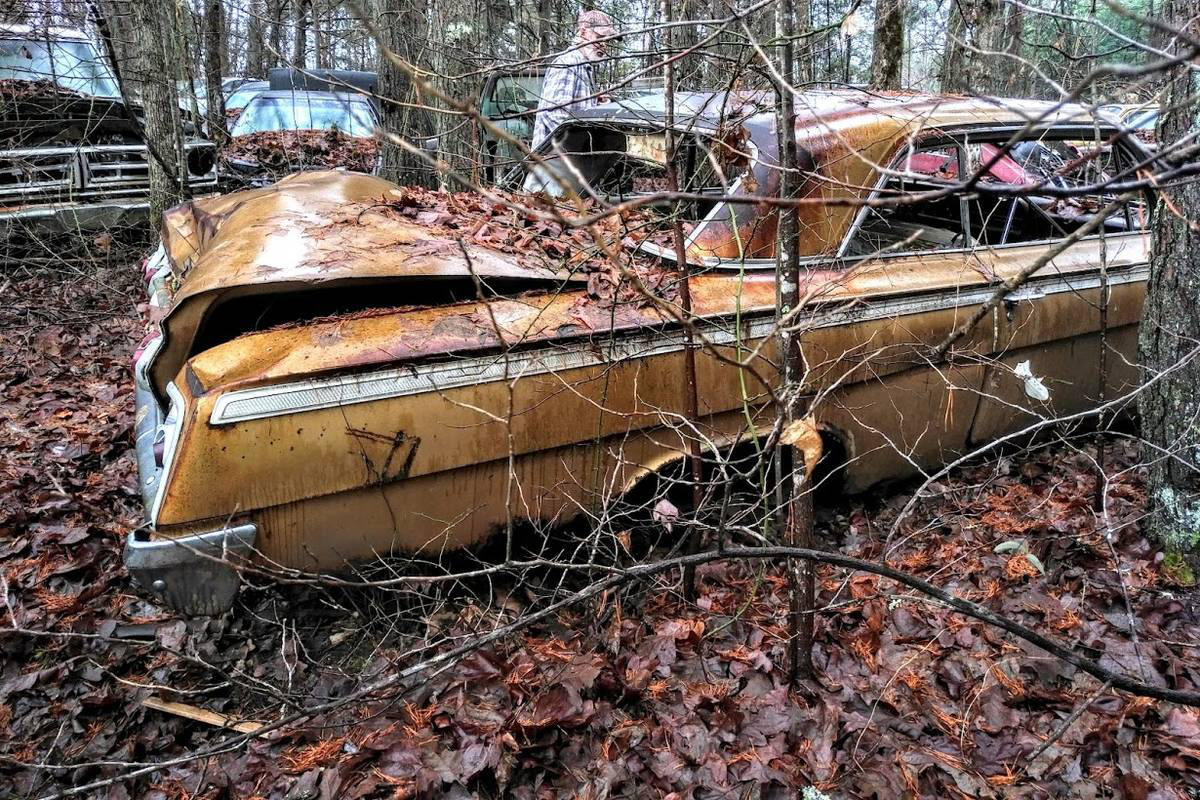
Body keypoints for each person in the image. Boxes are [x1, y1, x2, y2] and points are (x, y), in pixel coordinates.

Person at [523, 10, 617, 192]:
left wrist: (596, 106)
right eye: (599, 37)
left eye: (607, 40)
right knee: (540, 216)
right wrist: (588, 142)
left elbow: (572, 112)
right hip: (553, 169)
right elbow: (556, 116)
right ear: (582, 32)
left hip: (567, 169)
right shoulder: (568, 63)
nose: (604, 44)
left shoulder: (583, 66)